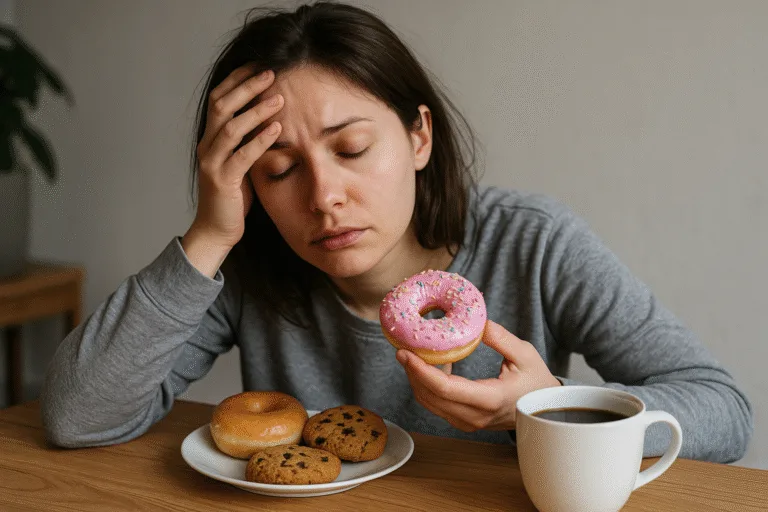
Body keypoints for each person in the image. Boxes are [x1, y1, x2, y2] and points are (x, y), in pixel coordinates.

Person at [40, 1, 752, 463]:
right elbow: (76, 416)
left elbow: (723, 412)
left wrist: (541, 409)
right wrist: (207, 236)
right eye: (280, 168)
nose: (324, 198)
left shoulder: (533, 245)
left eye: (351, 150)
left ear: (419, 136)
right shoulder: (253, 269)